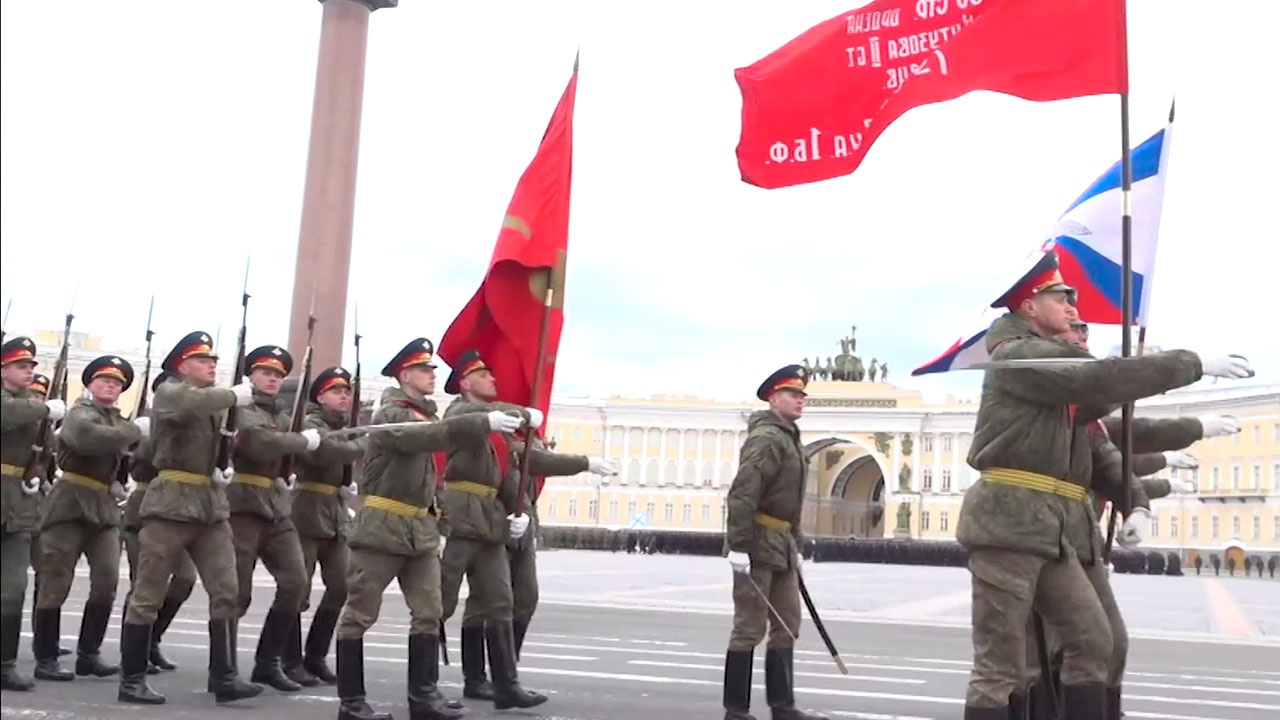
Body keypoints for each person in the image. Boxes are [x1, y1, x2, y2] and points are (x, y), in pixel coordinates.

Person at [958, 251, 1253, 720]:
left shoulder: (1056, 378)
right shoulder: (1018, 357)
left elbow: (1110, 428)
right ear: (1029, 307)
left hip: (1055, 530)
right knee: (1002, 665)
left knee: (1096, 642)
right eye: (1061, 297)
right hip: (1008, 520)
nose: (1074, 307)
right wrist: (1190, 364)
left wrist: (1138, 500)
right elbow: (1099, 381)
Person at [334, 337, 523, 720]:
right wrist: (480, 422)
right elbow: (421, 438)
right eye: (423, 370)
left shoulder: (428, 417)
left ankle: (423, 697)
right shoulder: (390, 414)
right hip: (382, 527)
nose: (431, 375)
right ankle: (351, 703)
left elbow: (434, 471)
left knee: (428, 611)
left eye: (432, 369)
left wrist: (441, 519)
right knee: (359, 613)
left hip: (419, 530)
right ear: (405, 375)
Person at [438, 349, 615, 707]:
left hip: (503, 524)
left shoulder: (503, 433)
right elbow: (468, 419)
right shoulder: (460, 413)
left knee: (512, 600)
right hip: (467, 520)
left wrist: (586, 462)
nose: (493, 379)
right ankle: (457, 682)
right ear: (465, 382)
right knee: (442, 605)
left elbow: (533, 460)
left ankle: (506, 683)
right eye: (483, 374)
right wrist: (519, 413)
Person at [118, 330, 261, 705]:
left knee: (226, 590)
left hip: (210, 506)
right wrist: (233, 395)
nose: (212, 365)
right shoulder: (170, 392)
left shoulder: (215, 402)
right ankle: (131, 679)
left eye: (214, 361)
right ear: (183, 366)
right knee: (148, 592)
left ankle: (225, 677)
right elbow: (187, 407)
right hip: (170, 504)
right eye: (203, 360)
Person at [722, 364, 828, 720]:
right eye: (793, 395)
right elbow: (743, 491)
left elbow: (792, 500)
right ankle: (736, 711)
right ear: (773, 398)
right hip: (756, 542)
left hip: (781, 544)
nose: (800, 401)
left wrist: (794, 544)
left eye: (802, 395)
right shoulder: (767, 438)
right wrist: (738, 545)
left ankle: (783, 707)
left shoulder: (788, 438)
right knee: (749, 627)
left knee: (787, 626)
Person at [32, 355, 145, 682]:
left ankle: (89, 654)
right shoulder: (79, 414)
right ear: (90, 385)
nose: (110, 385)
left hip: (105, 506)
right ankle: (46, 657)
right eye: (103, 380)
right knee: (56, 580)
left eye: (117, 383)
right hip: (70, 503)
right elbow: (88, 438)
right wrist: (133, 430)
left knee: (106, 581)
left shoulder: (120, 421)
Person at [226, 344, 321, 693]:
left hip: (277, 508)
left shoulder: (284, 415)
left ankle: (268, 663)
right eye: (266, 372)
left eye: (279, 375)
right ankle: (224, 670)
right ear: (250, 375)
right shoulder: (240, 409)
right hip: (242, 507)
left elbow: (295, 441)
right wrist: (299, 442)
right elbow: (259, 443)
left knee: (296, 583)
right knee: (237, 593)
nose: (273, 379)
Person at [285, 365, 365, 686]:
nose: (343, 396)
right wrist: (363, 443)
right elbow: (326, 453)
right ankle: (288, 660)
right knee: (297, 590)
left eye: (346, 391)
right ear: (320, 396)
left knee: (342, 586)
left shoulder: (347, 427)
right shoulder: (311, 424)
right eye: (336, 391)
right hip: (305, 514)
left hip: (334, 516)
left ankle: (315, 656)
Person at [119, 371, 198, 674]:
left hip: (181, 508)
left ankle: (153, 640)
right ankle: (134, 653)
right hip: (146, 505)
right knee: (145, 582)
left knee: (184, 579)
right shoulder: (146, 423)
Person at [1, 337, 66, 692]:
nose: (29, 372)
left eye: (31, 367)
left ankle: (5, 664)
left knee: (13, 588)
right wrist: (44, 410)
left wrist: (36, 475)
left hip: (18, 506)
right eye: (21, 366)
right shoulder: (29, 407)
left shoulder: (35, 404)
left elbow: (45, 452)